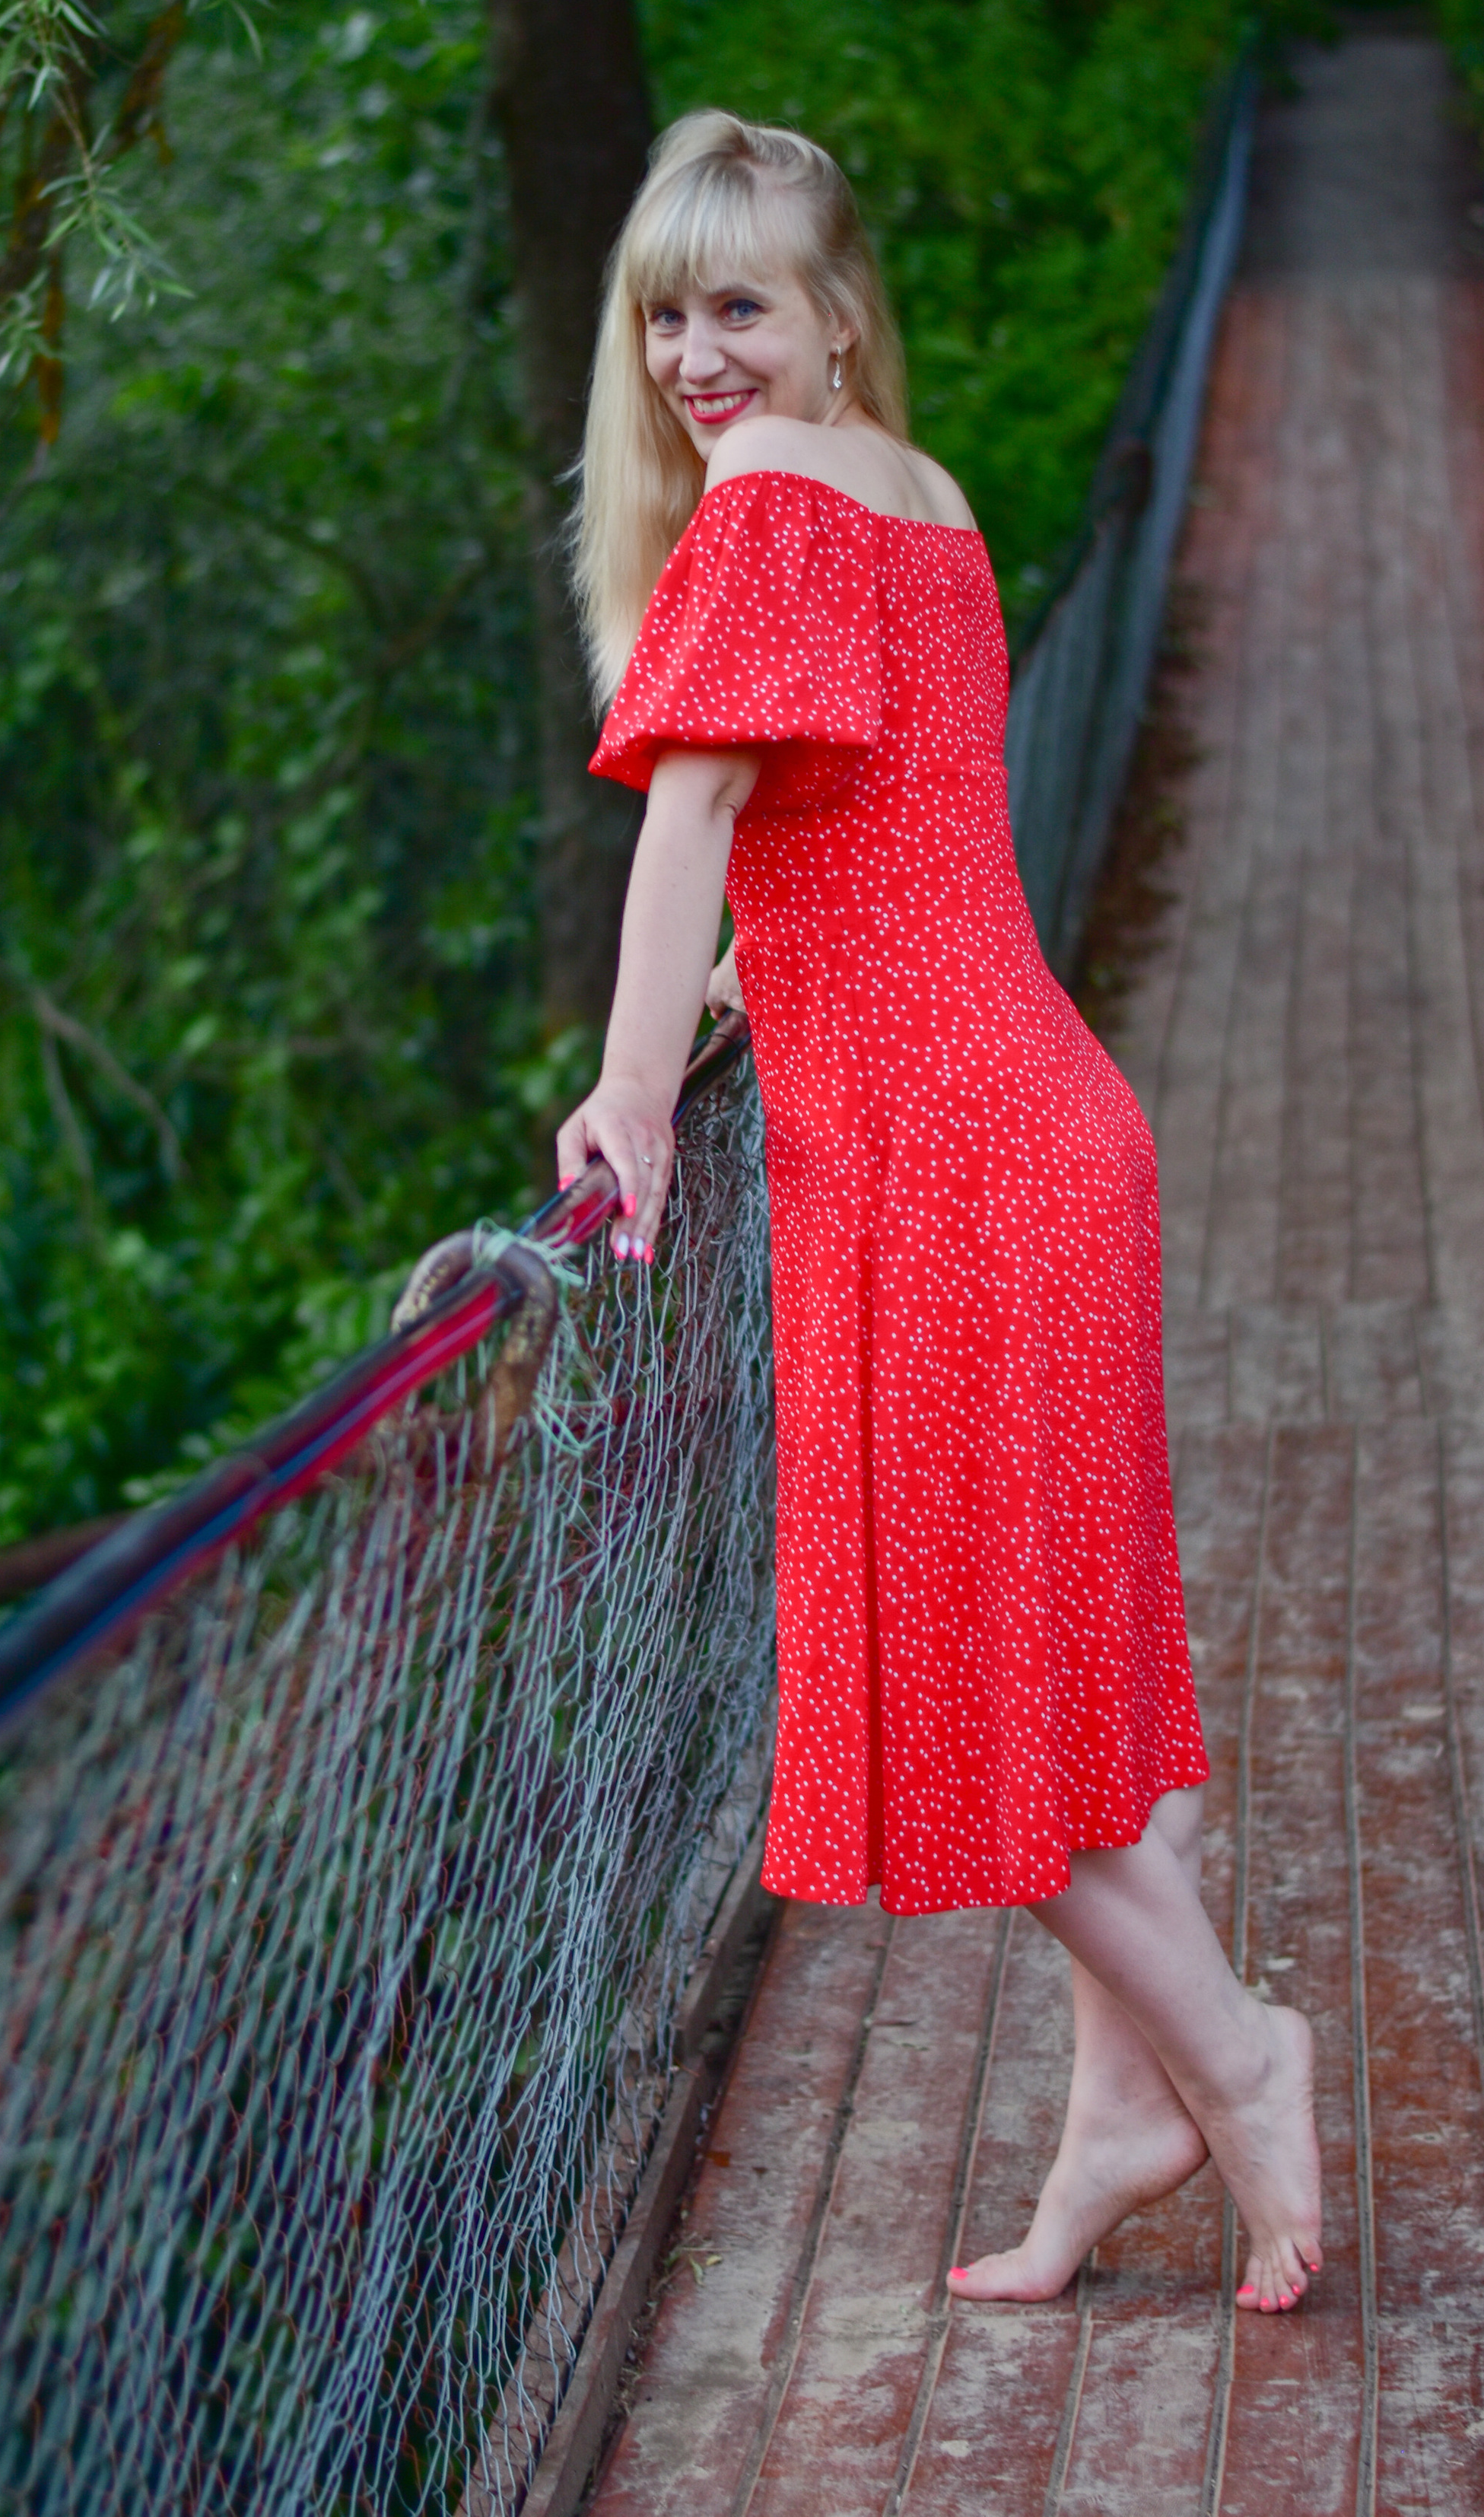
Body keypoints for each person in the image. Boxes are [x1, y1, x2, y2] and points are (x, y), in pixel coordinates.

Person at [555, 111, 1323, 2316]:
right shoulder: (929, 497)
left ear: (833, 315)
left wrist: (633, 1090)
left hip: (944, 1165)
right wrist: (754, 968)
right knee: (1073, 1670)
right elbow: (871, 826)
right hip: (1040, 1122)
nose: (703, 352)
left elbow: (698, 802)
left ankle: (1238, 2060)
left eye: (744, 306)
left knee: (987, 1690)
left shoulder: (779, 501)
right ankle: (1119, 2121)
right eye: (669, 311)